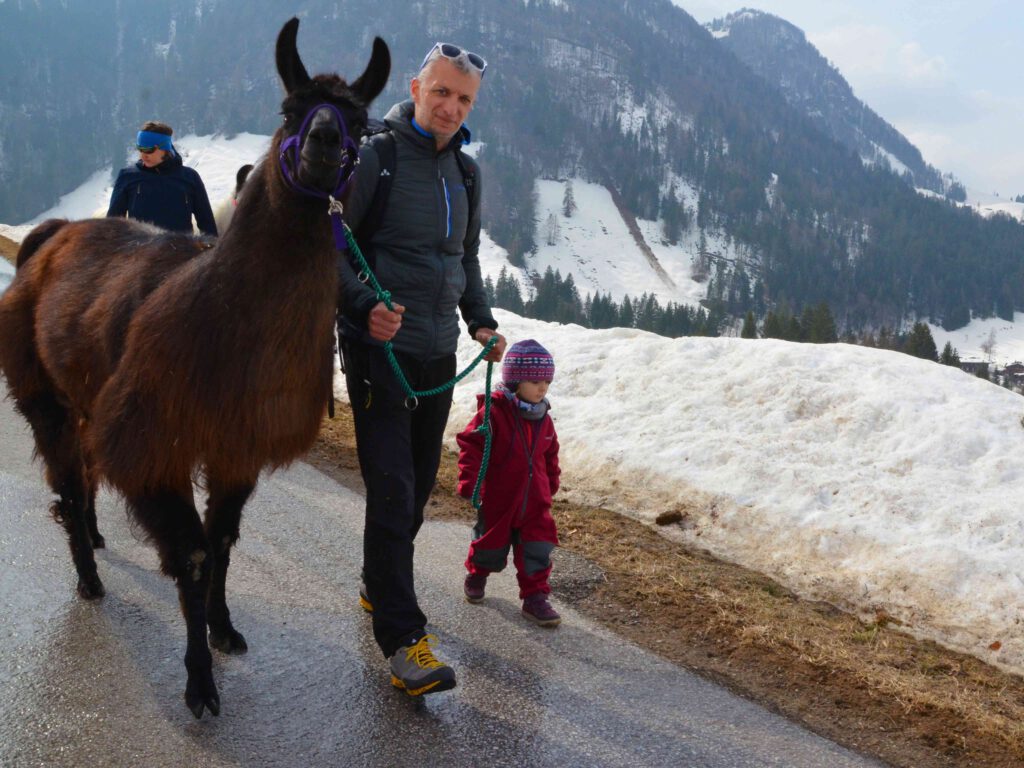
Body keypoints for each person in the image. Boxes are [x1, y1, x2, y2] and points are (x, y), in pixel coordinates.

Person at [337, 42, 505, 696]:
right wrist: (364, 305)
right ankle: (404, 640)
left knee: (419, 487)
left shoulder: (466, 174)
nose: (450, 107)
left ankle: (379, 584)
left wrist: (481, 322)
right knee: (393, 488)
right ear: (416, 86)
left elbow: (463, 260)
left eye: (463, 99)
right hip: (378, 353)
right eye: (441, 92)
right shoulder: (374, 159)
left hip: (436, 353)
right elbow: (333, 249)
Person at [456, 339, 562, 627]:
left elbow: (550, 454)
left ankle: (535, 597)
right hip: (500, 498)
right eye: (535, 381)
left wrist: (550, 482)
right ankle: (477, 573)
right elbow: (472, 445)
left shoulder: (544, 419)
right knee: (490, 543)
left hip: (535, 501)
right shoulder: (494, 412)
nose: (542, 388)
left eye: (547, 382)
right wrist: (471, 482)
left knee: (537, 548)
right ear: (515, 381)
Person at [106, 121, 217, 236]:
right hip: (141, 251)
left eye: (149, 150)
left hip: (181, 251)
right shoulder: (127, 176)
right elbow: (112, 224)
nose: (143, 155)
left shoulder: (190, 177)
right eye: (140, 149)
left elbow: (207, 223)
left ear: (165, 148)